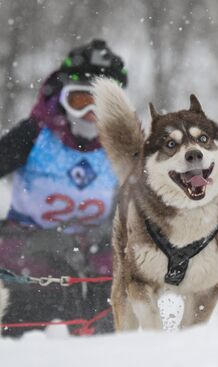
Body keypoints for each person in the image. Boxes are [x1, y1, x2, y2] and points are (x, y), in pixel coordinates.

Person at [0, 39, 127, 337]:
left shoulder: (125, 146)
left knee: (115, 300)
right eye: (81, 102)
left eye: (104, 105)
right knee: (43, 297)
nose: (91, 115)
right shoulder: (34, 135)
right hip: (31, 245)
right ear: (62, 97)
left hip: (98, 249)